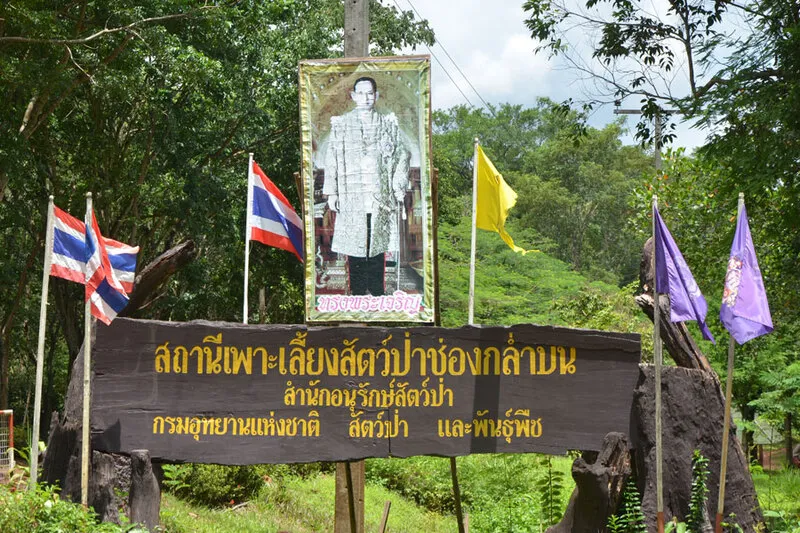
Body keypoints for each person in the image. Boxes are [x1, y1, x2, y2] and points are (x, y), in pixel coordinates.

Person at [323, 76, 411, 296]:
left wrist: (398, 185)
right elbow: (331, 158)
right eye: (361, 93)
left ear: (377, 95)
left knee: (377, 243)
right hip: (352, 194)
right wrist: (332, 192)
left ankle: (377, 291)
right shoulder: (341, 124)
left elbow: (402, 154)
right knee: (356, 245)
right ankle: (358, 292)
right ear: (353, 96)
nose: (366, 98)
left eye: (370, 93)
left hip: (379, 194)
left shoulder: (387, 124)